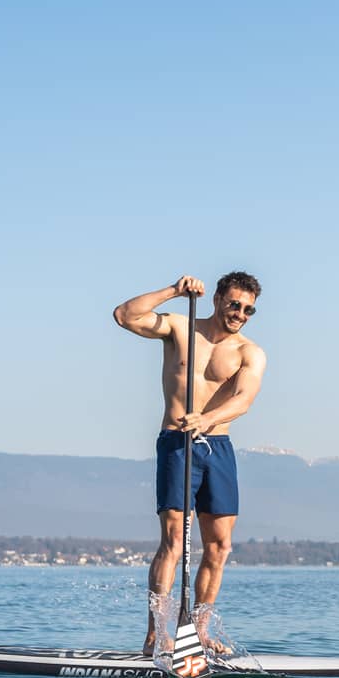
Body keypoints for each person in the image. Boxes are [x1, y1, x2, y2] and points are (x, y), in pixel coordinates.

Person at [113, 272, 267, 656]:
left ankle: (197, 633)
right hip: (177, 443)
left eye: (248, 310)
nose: (240, 314)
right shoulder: (180, 328)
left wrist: (208, 419)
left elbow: (244, 400)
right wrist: (173, 292)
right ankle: (155, 634)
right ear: (217, 299)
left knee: (220, 547)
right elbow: (124, 315)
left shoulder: (250, 352)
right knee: (174, 542)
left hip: (217, 447)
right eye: (234, 305)